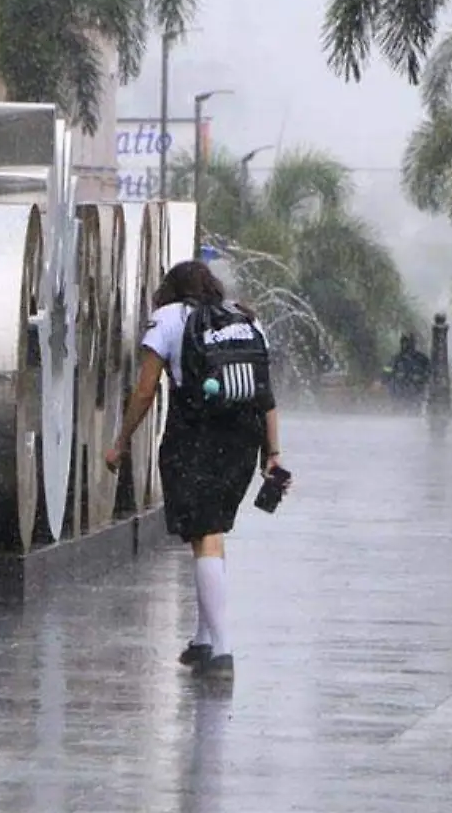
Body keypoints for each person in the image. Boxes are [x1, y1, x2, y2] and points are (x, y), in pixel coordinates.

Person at [104, 260, 285, 680]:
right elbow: (266, 396)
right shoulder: (246, 320)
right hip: (244, 436)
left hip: (196, 434)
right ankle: (204, 638)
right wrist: (271, 452)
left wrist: (121, 440)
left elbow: (146, 389)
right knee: (210, 533)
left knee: (205, 535)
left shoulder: (168, 318)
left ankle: (222, 651)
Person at [385, 333, 432, 406]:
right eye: (403, 343)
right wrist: (386, 380)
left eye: (407, 343)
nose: (404, 345)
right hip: (400, 393)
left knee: (414, 411)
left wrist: (421, 378)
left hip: (415, 392)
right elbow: (387, 371)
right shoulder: (396, 359)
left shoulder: (421, 359)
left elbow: (429, 371)